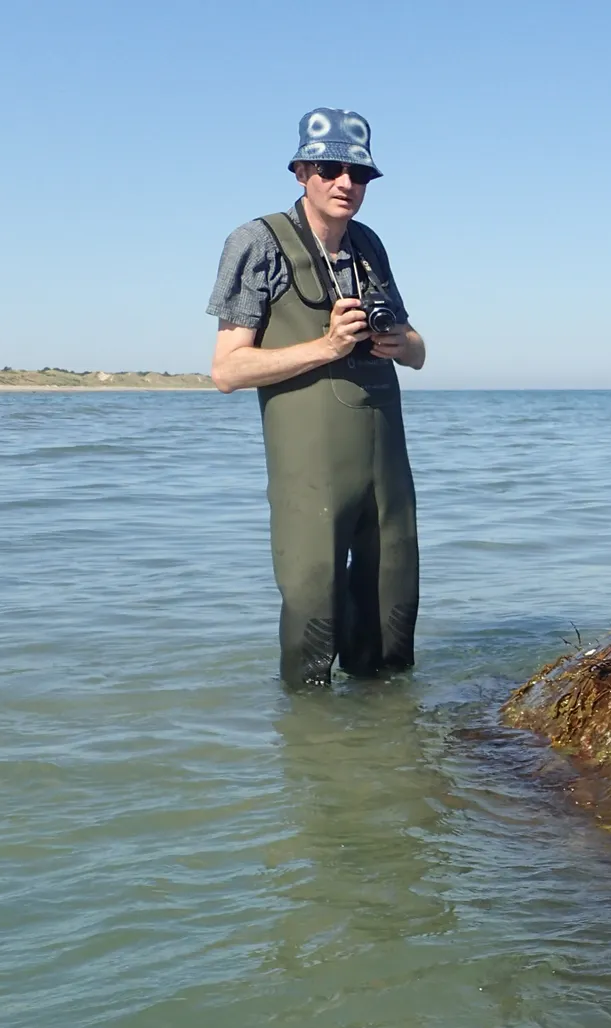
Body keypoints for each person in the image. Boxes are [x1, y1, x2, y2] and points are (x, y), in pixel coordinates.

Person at [207, 108, 427, 687]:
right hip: (310, 474)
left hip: (385, 468)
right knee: (313, 612)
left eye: (359, 175)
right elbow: (227, 370)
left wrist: (398, 341)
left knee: (393, 614)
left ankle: (385, 751)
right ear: (302, 169)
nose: (345, 185)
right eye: (330, 169)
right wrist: (327, 347)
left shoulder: (369, 245)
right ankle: (309, 758)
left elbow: (420, 352)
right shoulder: (257, 242)